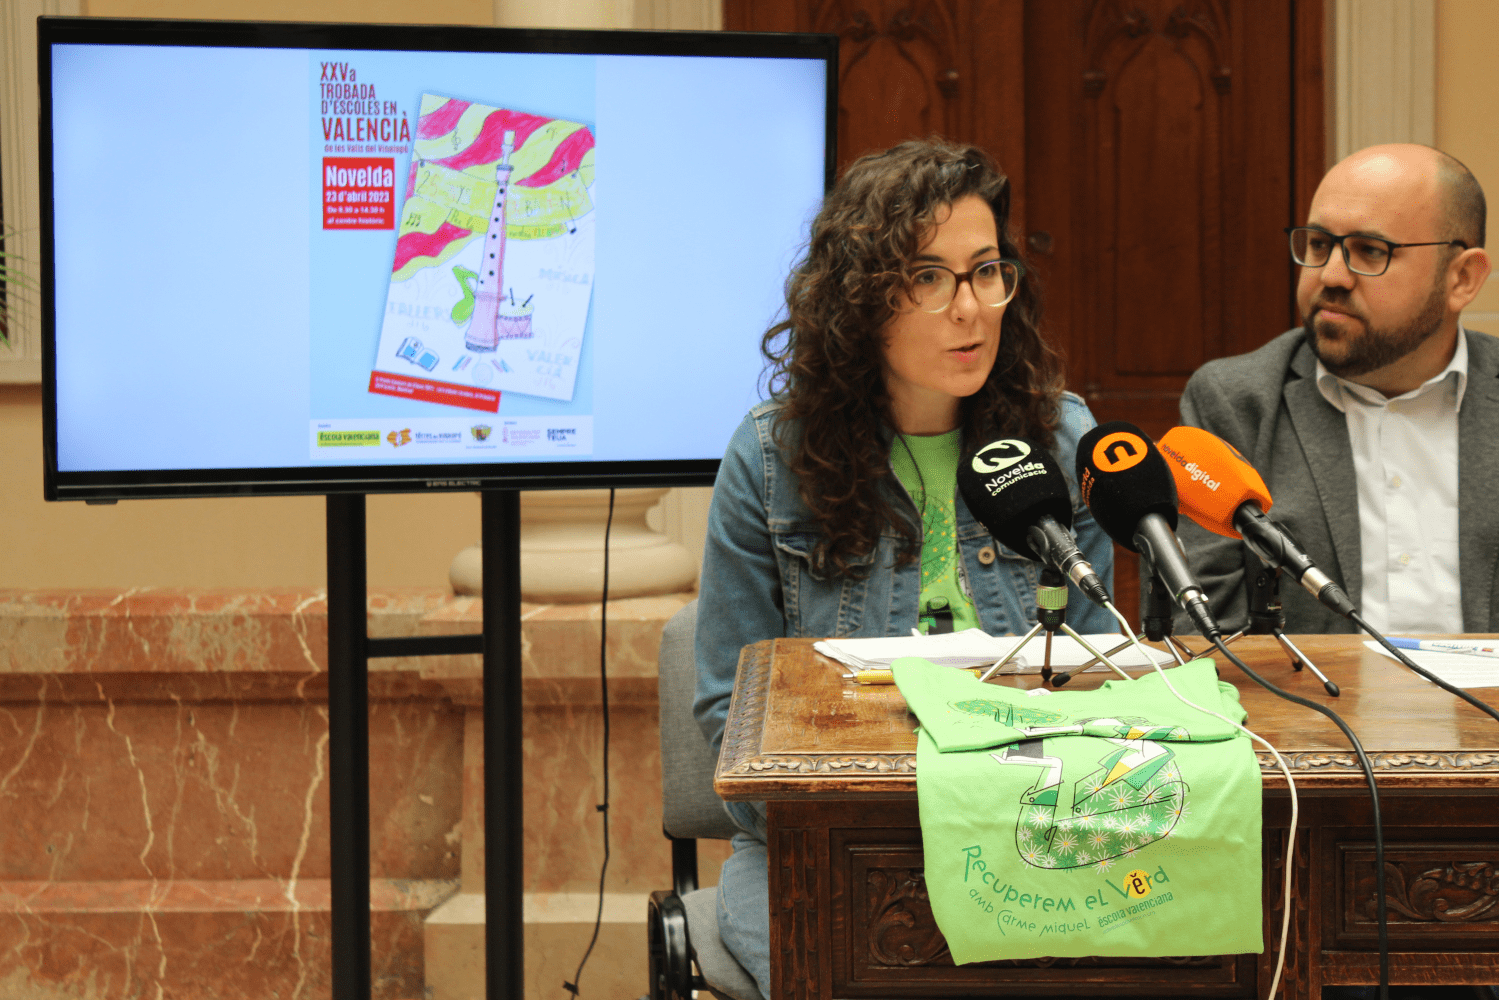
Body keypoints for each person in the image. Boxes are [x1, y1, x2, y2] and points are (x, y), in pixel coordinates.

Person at [691, 138, 1115, 999]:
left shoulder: (1062, 441)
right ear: (859, 298)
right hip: (823, 848)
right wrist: (884, 807)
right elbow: (728, 714)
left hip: (1026, 832)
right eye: (928, 277)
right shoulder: (771, 459)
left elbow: (1097, 677)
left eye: (985, 271)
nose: (970, 309)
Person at [1173, 143, 1497, 636]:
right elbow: (1201, 630)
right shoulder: (1235, 403)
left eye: (1371, 251)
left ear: (1462, 278)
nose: (1331, 276)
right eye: (1319, 245)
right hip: (1308, 690)